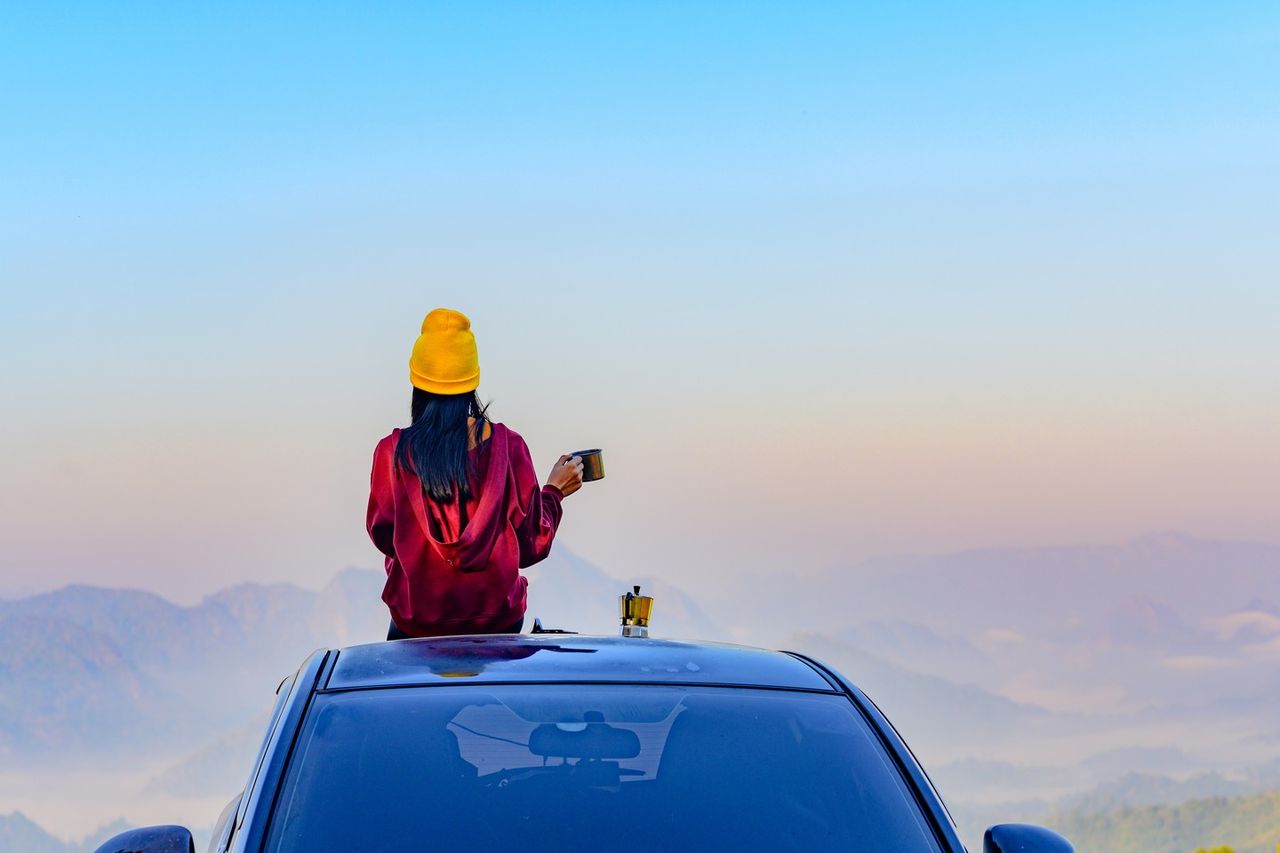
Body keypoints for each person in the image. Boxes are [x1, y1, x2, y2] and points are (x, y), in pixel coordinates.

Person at [367, 308, 584, 639]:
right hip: (499, 622)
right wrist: (553, 493)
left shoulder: (391, 453)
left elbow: (383, 535)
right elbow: (531, 546)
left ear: (417, 381)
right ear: (472, 381)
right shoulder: (509, 447)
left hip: (416, 624)